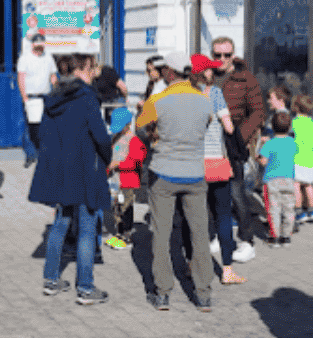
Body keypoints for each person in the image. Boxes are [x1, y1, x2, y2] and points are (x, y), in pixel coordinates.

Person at [28, 53, 112, 306]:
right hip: (85, 168)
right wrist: (106, 157)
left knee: (61, 222)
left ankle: (51, 280)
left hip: (61, 171)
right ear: (81, 70)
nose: (93, 74)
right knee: (87, 227)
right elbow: (100, 135)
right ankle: (85, 288)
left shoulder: (53, 97)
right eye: (91, 69)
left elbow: (42, 135)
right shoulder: (87, 97)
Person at [136, 51, 213, 312]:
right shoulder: (204, 100)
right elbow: (206, 124)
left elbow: (139, 128)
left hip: (164, 173)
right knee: (200, 233)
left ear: (170, 72)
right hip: (194, 173)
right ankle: (203, 293)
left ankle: (162, 292)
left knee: (161, 232)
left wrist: (154, 134)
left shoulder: (157, 99)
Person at [184, 54, 246, 286]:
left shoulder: (185, 95)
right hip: (216, 163)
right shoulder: (216, 94)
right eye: (210, 69)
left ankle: (191, 264)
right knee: (222, 216)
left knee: (193, 216)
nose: (213, 72)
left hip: (192, 164)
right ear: (205, 73)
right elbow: (229, 128)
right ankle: (227, 270)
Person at [210, 37, 264, 264]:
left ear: (233, 55)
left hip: (233, 144)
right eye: (217, 55)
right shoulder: (207, 76)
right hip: (210, 142)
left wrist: (240, 138)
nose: (221, 59)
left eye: (226, 55)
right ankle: (216, 235)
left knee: (236, 192)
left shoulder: (245, 78)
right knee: (212, 192)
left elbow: (258, 112)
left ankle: (246, 240)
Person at [105, 107, 145, 250]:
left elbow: (137, 161)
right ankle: (119, 233)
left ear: (128, 125)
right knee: (116, 208)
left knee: (126, 208)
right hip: (115, 181)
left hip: (127, 181)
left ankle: (126, 236)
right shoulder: (116, 137)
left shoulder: (134, 140)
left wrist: (118, 164)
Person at [17, 33, 59, 168]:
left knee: (46, 125)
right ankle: (30, 155)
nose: (40, 48)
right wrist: (24, 97)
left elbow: (53, 75)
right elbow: (21, 78)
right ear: (33, 45)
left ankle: (44, 153)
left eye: (42, 45)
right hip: (31, 96)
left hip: (46, 96)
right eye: (38, 46)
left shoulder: (48, 57)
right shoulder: (25, 58)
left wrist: (56, 90)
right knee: (30, 127)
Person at [259, 111, 298, 247]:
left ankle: (274, 238)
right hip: (288, 180)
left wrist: (259, 152)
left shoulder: (270, 144)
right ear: (289, 128)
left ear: (272, 127)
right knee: (288, 209)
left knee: (273, 209)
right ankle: (286, 237)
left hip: (272, 180)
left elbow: (263, 162)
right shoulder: (292, 143)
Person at [291, 94, 313, 225]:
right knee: (309, 186)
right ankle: (312, 211)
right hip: (309, 160)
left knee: (296, 186)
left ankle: (299, 212)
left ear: (295, 107)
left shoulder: (293, 123)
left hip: (296, 159)